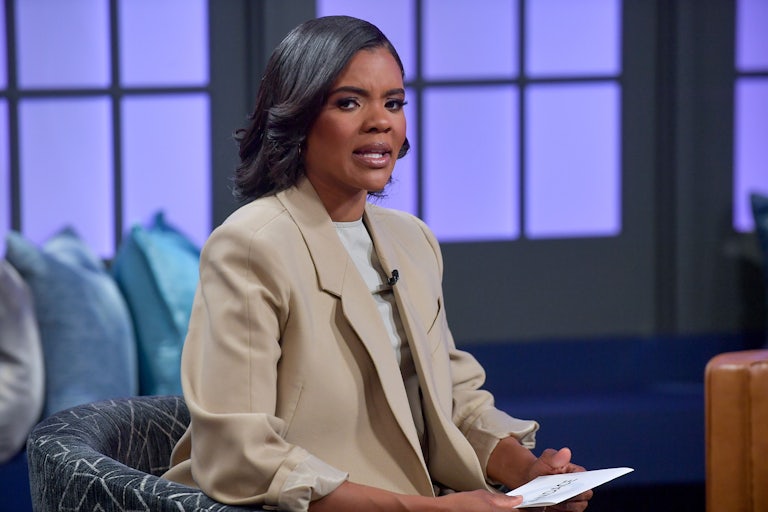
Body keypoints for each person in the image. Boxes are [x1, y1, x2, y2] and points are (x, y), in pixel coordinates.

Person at [164, 15, 592, 512]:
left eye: (393, 102)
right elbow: (241, 455)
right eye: (349, 102)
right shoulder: (250, 247)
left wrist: (530, 474)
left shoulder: (412, 240)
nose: (381, 120)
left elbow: (453, 402)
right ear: (299, 118)